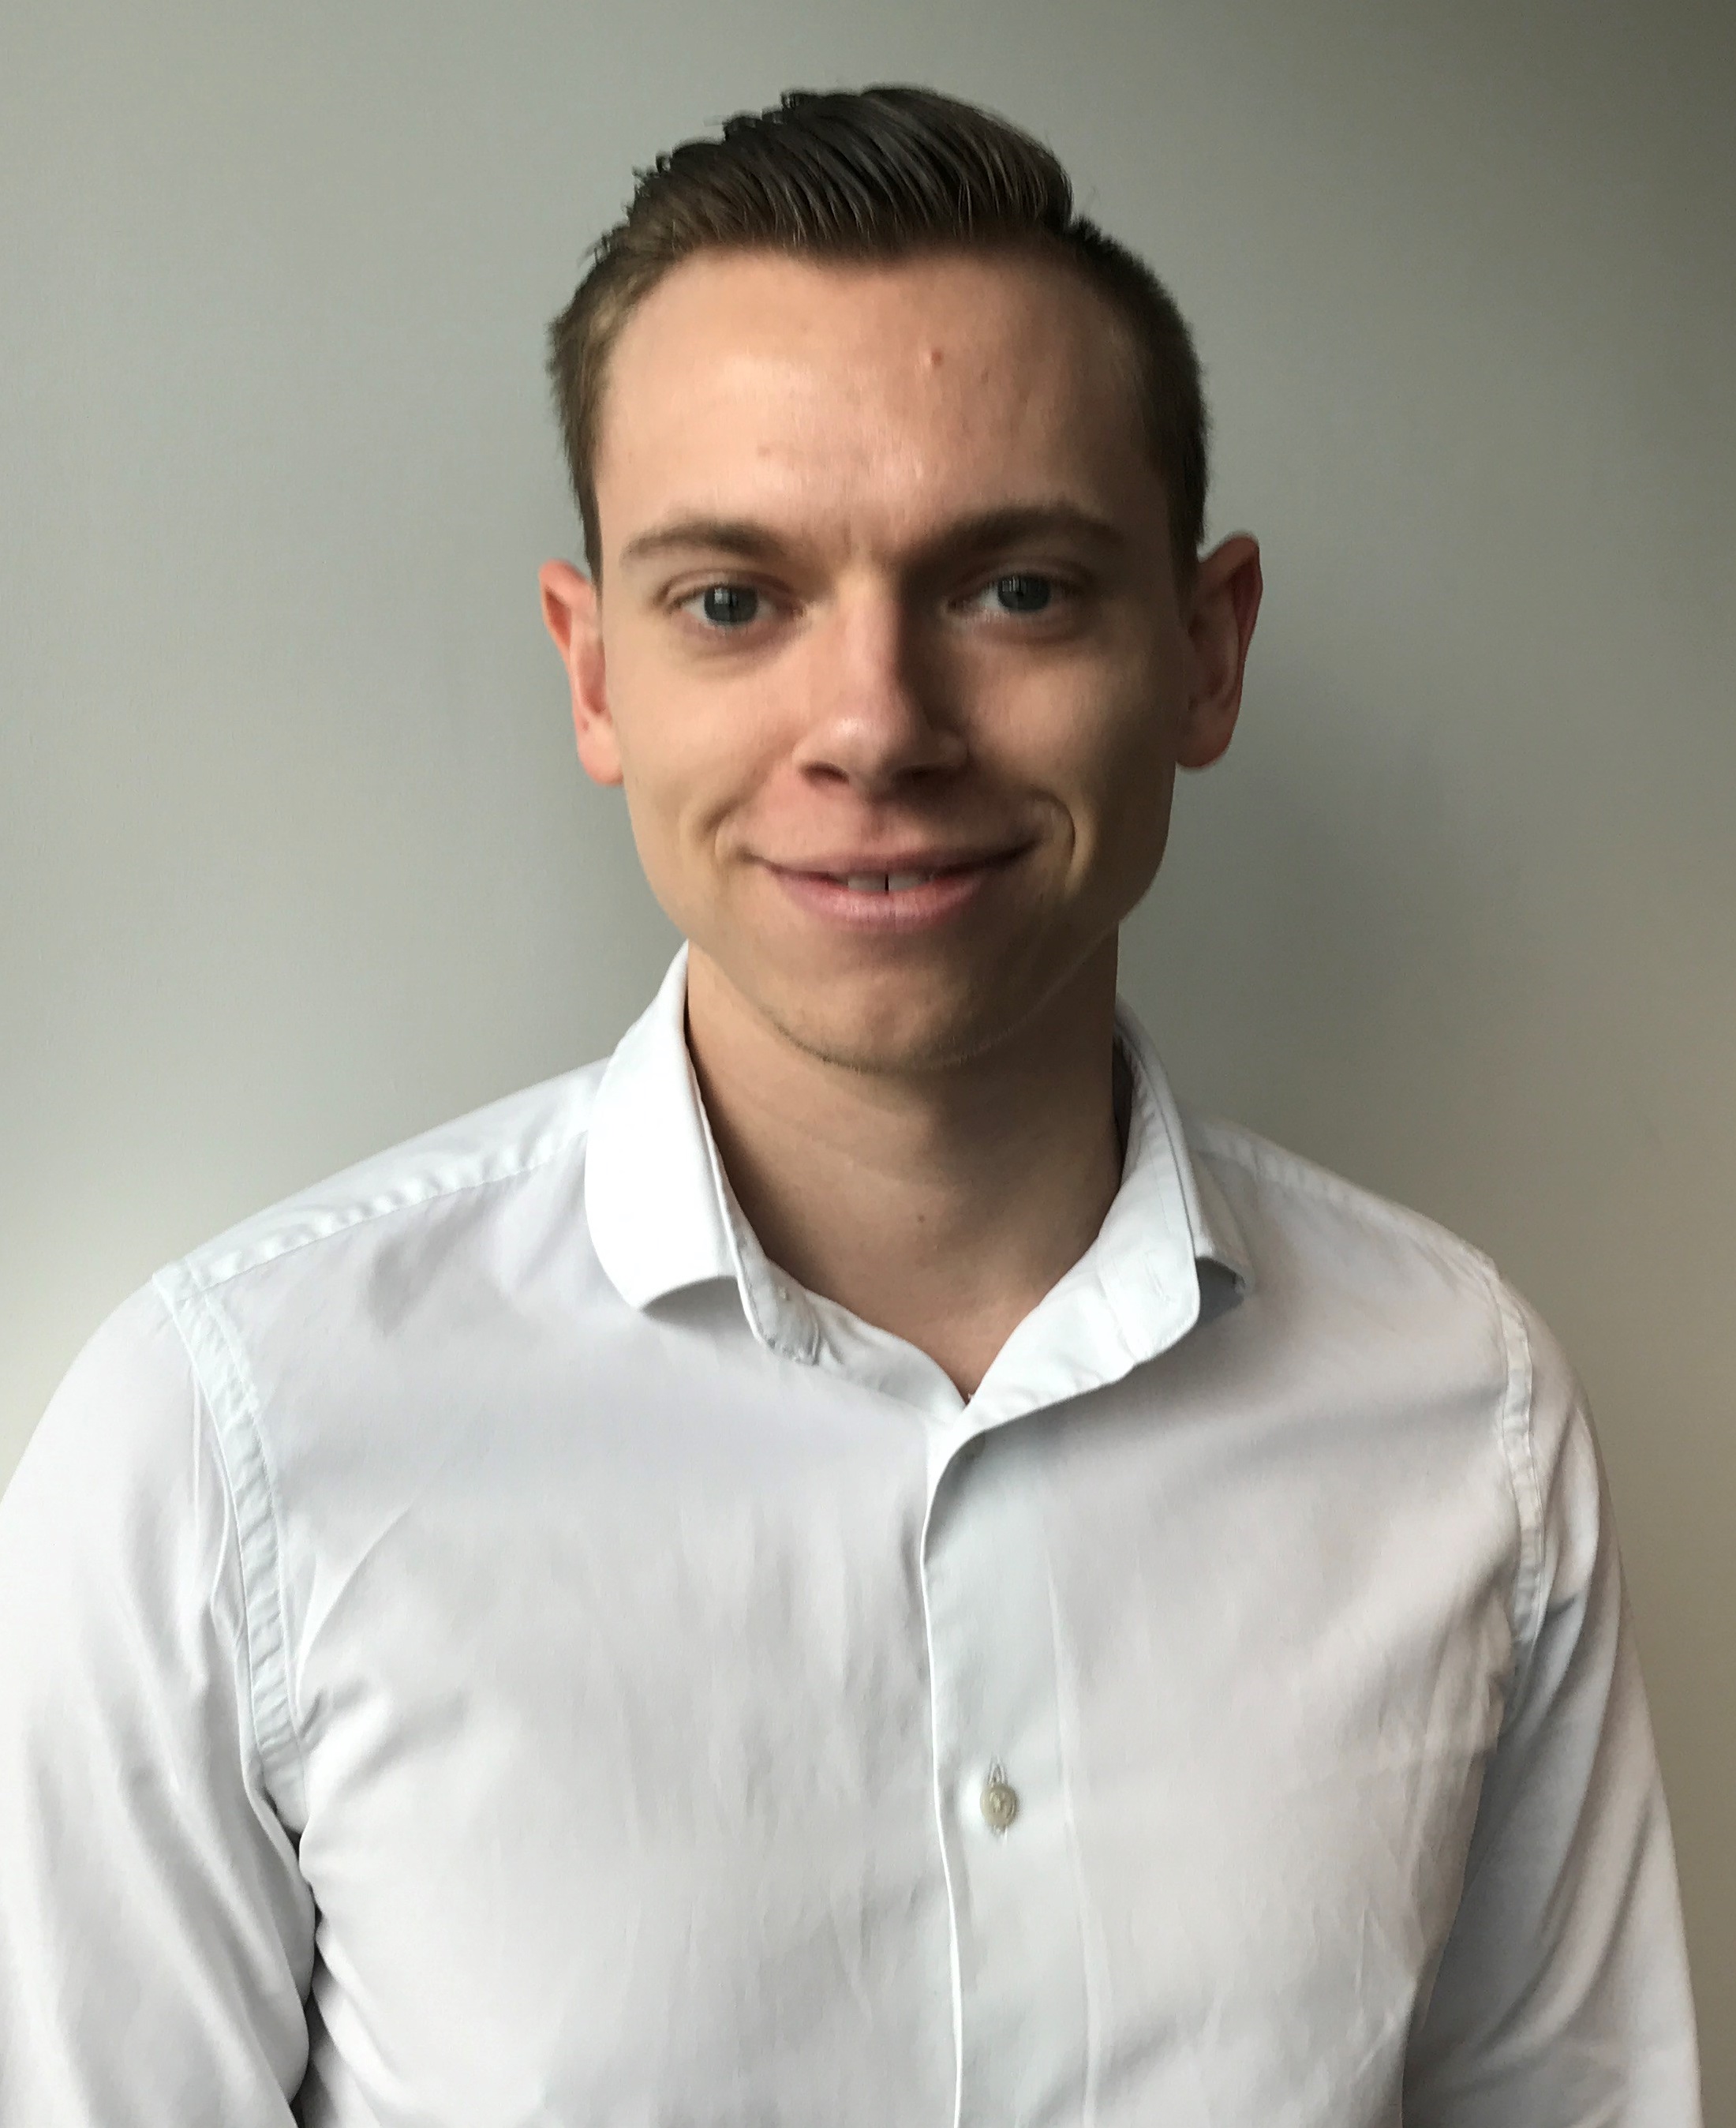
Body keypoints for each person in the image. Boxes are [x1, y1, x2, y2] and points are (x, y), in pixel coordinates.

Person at [0, 83, 1701, 2127]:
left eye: (1018, 589)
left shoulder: (1465, 1412)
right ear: (595, 673)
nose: (878, 727)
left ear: (1206, 652)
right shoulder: (225, 1453)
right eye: (735, 599)